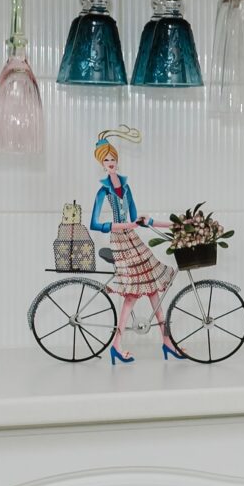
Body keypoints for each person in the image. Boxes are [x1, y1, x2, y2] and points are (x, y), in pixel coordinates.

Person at [87, 127, 184, 363]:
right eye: (106, 160)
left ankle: (166, 341)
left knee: (152, 288)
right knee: (131, 295)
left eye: (113, 159)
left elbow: (135, 218)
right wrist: (121, 227)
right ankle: (117, 345)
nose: (111, 163)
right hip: (120, 241)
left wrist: (171, 224)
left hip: (132, 239)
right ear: (102, 164)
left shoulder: (126, 187)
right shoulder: (103, 192)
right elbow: (94, 223)